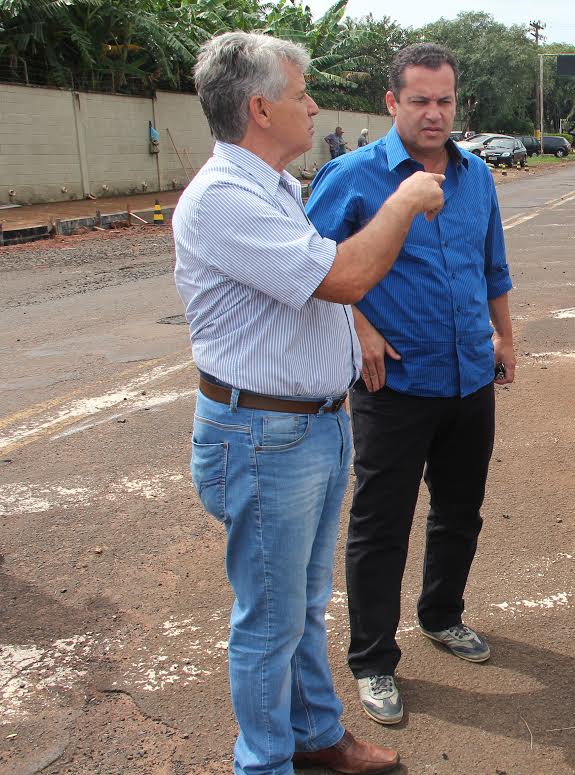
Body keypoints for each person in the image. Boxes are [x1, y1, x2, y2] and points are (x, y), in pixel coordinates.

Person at [173, 31, 444, 775]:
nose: (313, 104)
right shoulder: (226, 198)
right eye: (300, 94)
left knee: (300, 607)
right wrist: (406, 196)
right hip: (262, 433)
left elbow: (317, 289)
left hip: (307, 427)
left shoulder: (273, 187)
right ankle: (265, 762)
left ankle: (317, 735)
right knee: (269, 621)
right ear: (260, 108)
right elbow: (347, 274)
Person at [306, 43, 515, 727]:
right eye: (420, 100)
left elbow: (493, 267)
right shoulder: (353, 177)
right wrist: (357, 326)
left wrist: (504, 335)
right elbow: (309, 268)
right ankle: (371, 659)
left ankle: (442, 615)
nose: (434, 113)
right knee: (380, 523)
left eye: (445, 100)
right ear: (392, 103)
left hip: (466, 378)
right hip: (393, 382)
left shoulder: (476, 176)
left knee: (461, 509)